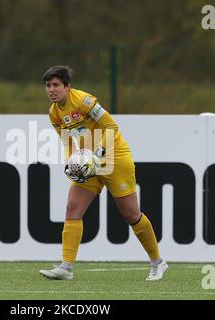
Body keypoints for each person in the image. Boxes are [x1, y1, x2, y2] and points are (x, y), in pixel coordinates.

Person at [38, 65, 168, 281]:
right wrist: (72, 160)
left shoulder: (83, 101)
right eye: (48, 86)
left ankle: (158, 262)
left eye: (56, 85)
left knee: (131, 214)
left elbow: (111, 126)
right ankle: (66, 267)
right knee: (72, 208)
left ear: (67, 87)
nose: (51, 89)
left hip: (114, 158)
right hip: (90, 163)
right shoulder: (53, 114)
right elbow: (67, 141)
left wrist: (98, 153)